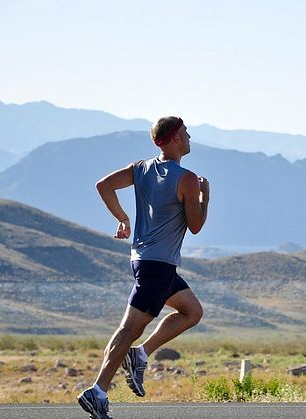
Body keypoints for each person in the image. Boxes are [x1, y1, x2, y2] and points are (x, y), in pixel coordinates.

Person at [77, 116, 209, 419]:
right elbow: (196, 225)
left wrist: (122, 218)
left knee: (192, 311)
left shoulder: (141, 168)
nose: (190, 138)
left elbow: (104, 185)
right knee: (128, 328)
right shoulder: (187, 179)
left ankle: (140, 354)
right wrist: (206, 197)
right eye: (186, 134)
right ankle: (97, 391)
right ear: (175, 138)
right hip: (158, 266)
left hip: (145, 261)